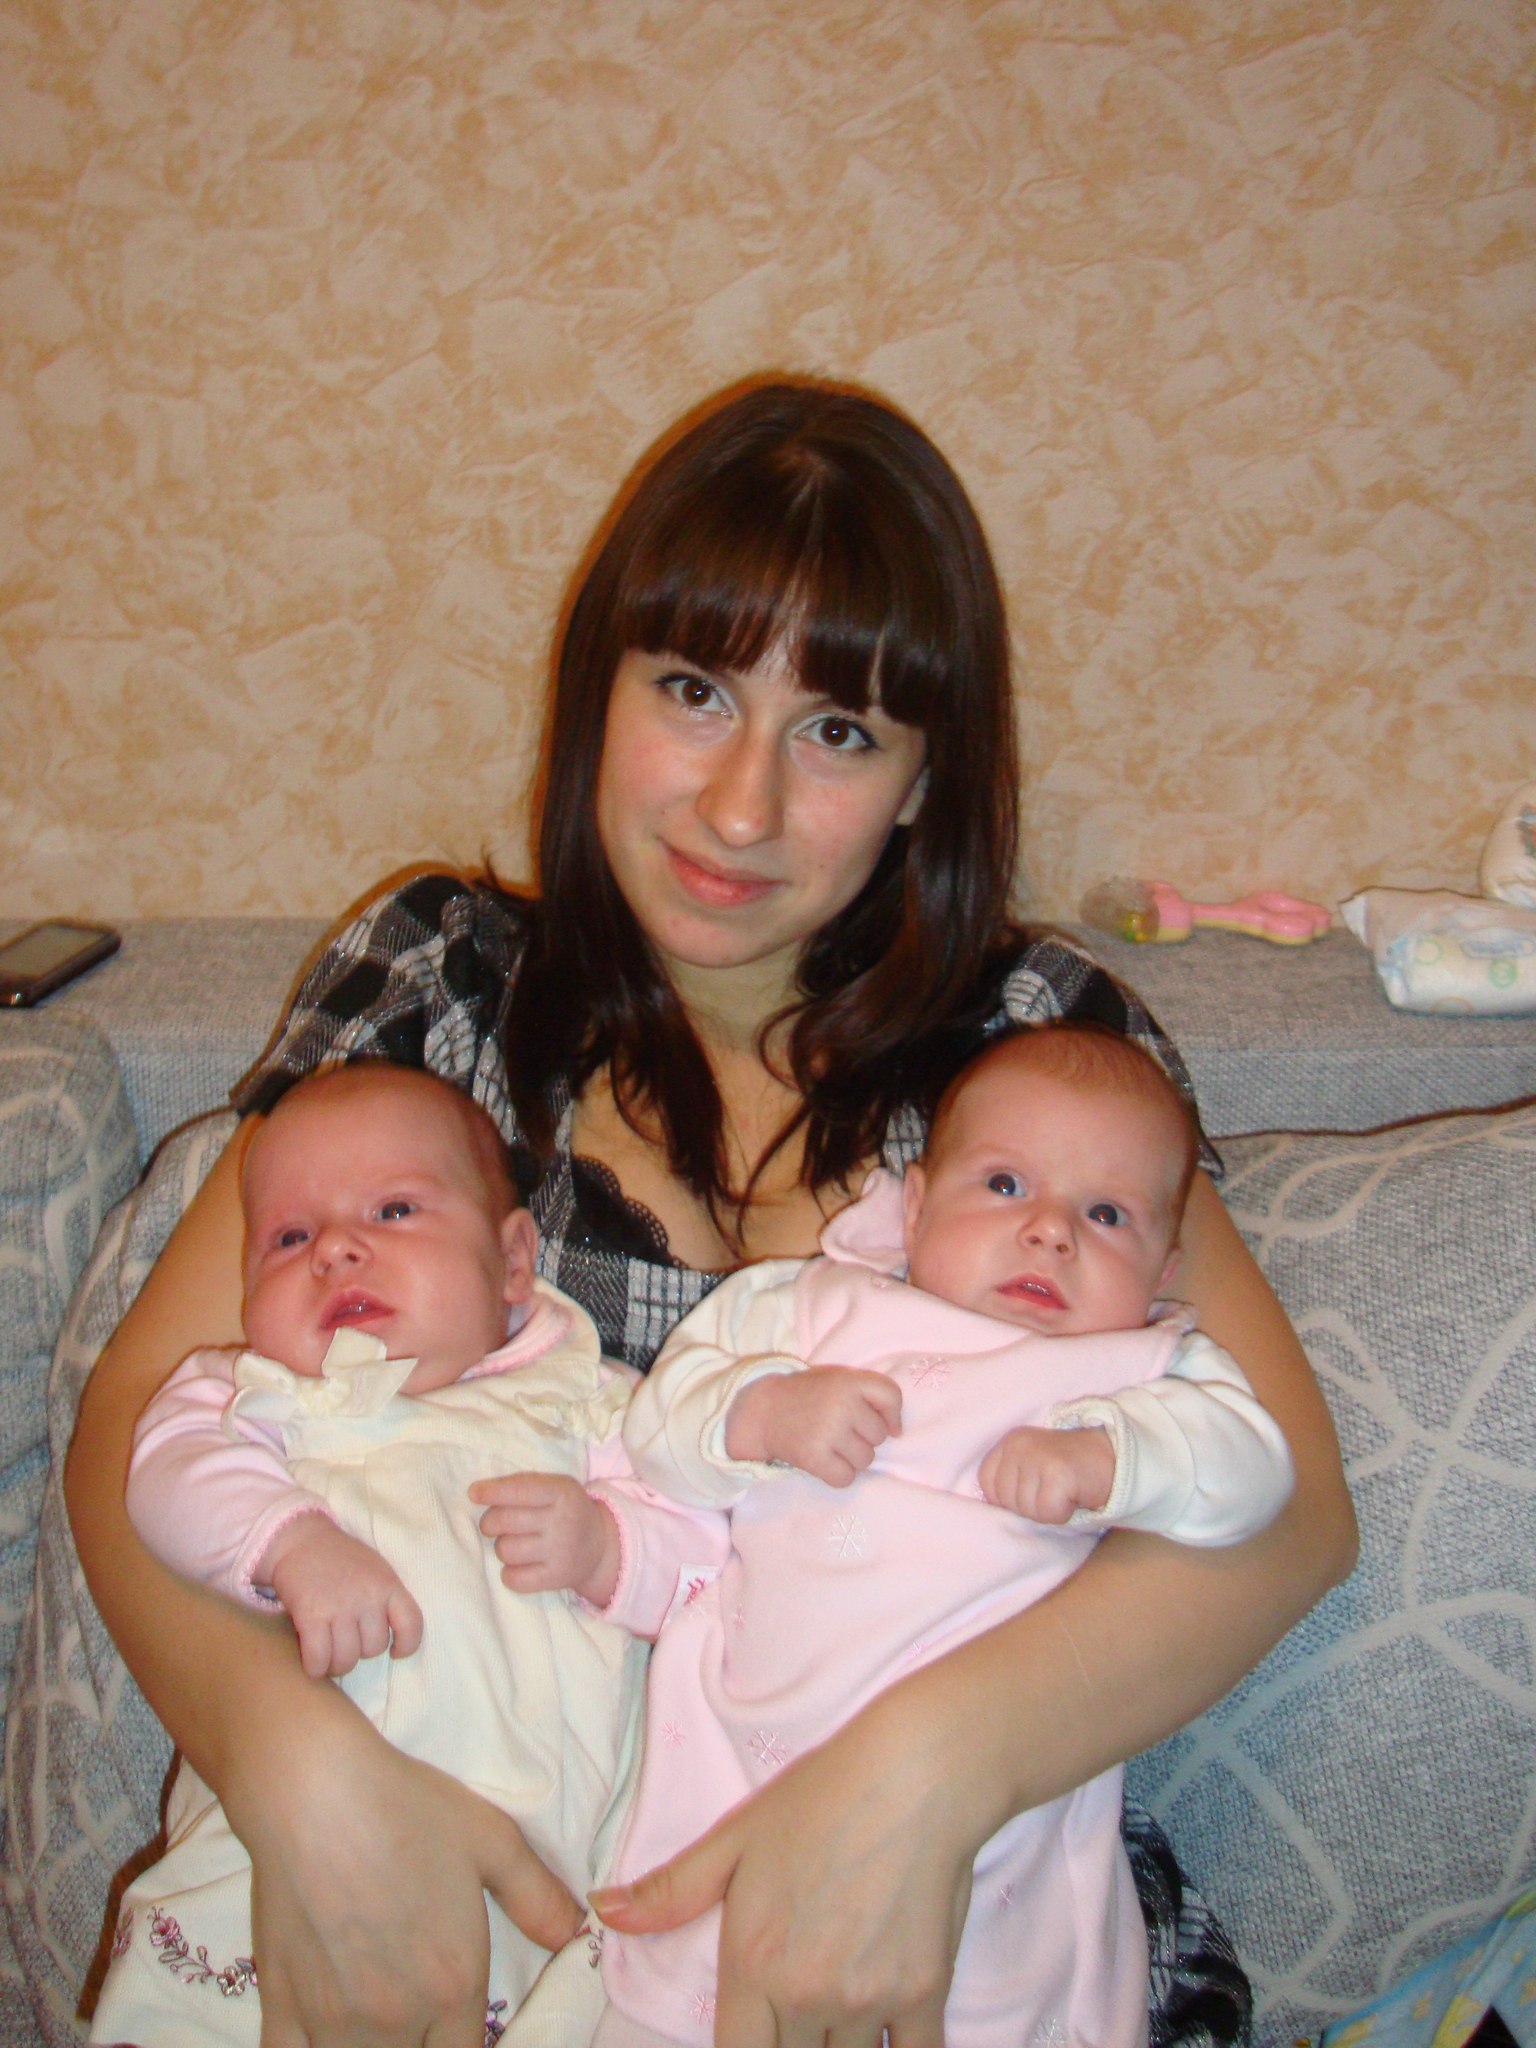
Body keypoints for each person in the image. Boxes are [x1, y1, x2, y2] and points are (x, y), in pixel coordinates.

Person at [65, 377, 1356, 2048]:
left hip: (981, 1938)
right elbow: (144, 1422)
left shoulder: (1037, 1041)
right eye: (692, 690)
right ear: (596, 689)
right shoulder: (443, 984)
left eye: (839, 732)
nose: (741, 808)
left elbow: (1292, 1511)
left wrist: (924, 1773)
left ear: (923, 781)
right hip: (501, 1919)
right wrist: (298, 1771)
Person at [502, 1021, 1295, 2048]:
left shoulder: (1137, 1368)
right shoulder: (811, 1308)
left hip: (985, 1824)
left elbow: (1258, 1470)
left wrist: (1115, 1458)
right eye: (1004, 1185)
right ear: (915, 1206)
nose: (1050, 1232)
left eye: (1105, 1214)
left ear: (1164, 1265)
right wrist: (763, 1413)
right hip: (738, 1764)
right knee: (676, 1990)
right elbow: (661, 1429)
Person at [92, 1061, 721, 2048]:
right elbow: (163, 1476)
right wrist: (287, 1538)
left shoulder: (589, 1402)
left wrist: (611, 1546)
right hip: (292, 1875)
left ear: (512, 1263)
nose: (337, 1249)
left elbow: (711, 1562)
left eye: (393, 1210)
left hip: (551, 1891)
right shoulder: (256, 1398)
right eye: (289, 1238)